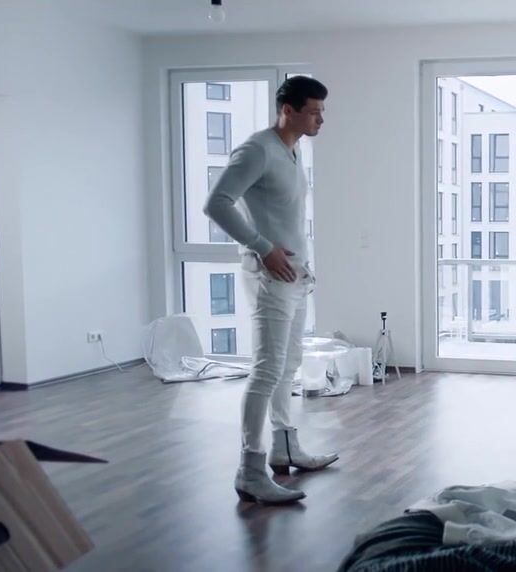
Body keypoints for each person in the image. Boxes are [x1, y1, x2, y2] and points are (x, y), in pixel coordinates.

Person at [205, 76, 339, 504]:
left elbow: (284, 216)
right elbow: (217, 203)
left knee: (287, 367)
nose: (321, 120)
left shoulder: (293, 150)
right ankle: (249, 470)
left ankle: (285, 448)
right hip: (271, 277)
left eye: (321, 111)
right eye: (314, 112)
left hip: (295, 276)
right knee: (265, 371)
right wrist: (263, 248)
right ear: (288, 110)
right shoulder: (257, 149)